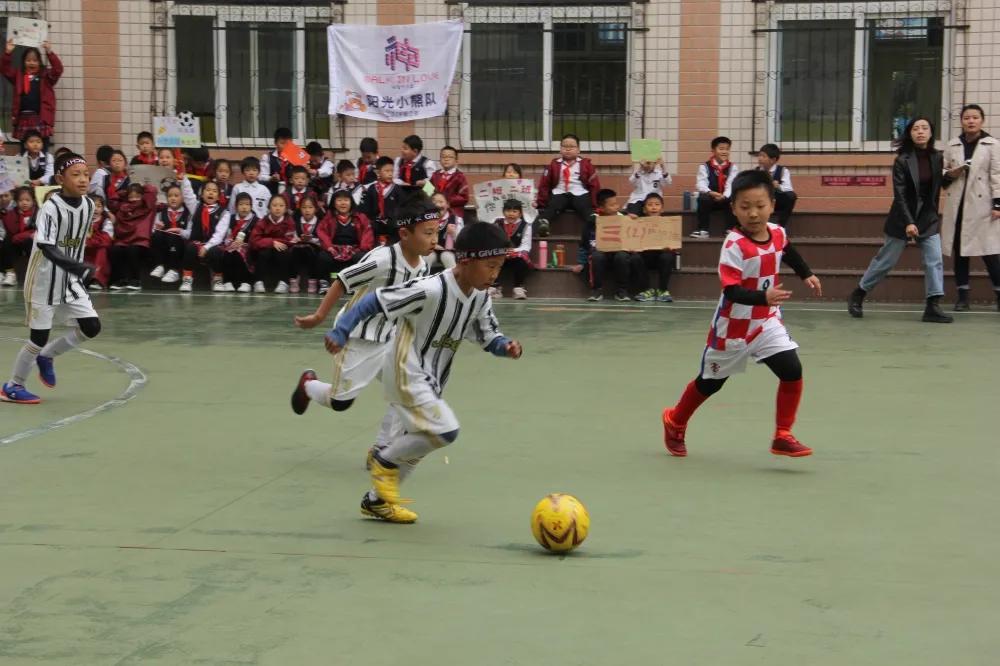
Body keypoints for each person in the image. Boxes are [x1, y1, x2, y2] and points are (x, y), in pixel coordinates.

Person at [308, 222, 522, 523]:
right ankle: (383, 459)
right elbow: (376, 300)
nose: (495, 274)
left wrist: (505, 346)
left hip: (431, 381)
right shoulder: (431, 289)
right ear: (465, 261)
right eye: (490, 266)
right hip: (405, 371)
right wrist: (342, 330)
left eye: (499, 267)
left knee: (418, 444)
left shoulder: (480, 296)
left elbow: (488, 336)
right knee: (445, 431)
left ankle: (376, 502)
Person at [290, 194, 439, 513]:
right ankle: (307, 385)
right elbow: (342, 281)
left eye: (436, 232)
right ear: (405, 234)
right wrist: (319, 317)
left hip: (392, 337)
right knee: (341, 402)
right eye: (427, 232)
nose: (433, 239)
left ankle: (381, 449)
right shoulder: (383, 259)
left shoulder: (424, 264)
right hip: (358, 336)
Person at [661, 170, 822, 458]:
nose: (753, 213)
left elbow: (788, 250)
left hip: (766, 321)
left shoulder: (778, 232)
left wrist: (806, 273)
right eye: (745, 207)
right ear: (733, 208)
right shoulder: (734, 245)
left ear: (772, 204)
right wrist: (764, 296)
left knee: (791, 369)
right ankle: (675, 420)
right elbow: (732, 291)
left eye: (760, 206)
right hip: (732, 328)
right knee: (710, 384)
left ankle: (782, 434)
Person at [1, 153, 97, 404]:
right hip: (43, 281)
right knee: (38, 337)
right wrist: (78, 266)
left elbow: (76, 241)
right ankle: (12, 386)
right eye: (76, 175)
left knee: (91, 327)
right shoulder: (50, 208)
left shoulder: (89, 205)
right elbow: (47, 246)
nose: (83, 179)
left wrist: (76, 270)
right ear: (60, 179)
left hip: (69, 280)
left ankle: (47, 356)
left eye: (86, 174)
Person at [848, 118, 952, 323]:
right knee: (885, 261)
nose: (920, 132)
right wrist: (908, 222)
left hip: (928, 218)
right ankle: (858, 294)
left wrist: (952, 175)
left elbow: (937, 185)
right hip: (902, 218)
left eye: (925, 128)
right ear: (910, 134)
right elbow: (900, 195)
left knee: (934, 261)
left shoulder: (937, 157)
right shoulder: (902, 160)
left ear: (931, 133)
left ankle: (933, 305)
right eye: (916, 129)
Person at [940, 103, 1000, 311]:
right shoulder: (952, 145)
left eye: (975, 117)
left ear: (982, 120)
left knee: (990, 252)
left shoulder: (992, 144)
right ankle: (963, 297)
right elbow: (943, 173)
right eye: (967, 118)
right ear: (961, 121)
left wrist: (998, 204)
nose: (971, 121)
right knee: (961, 252)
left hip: (983, 206)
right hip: (957, 205)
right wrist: (950, 174)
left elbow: (997, 175)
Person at [535, 133, 600, 238]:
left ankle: (593, 221)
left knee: (584, 206)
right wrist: (541, 203)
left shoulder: (586, 164)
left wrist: (595, 206)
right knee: (554, 205)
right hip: (560, 192)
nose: (568, 149)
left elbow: (594, 185)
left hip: (579, 192)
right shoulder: (554, 164)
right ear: (560, 149)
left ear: (578, 150)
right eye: (565, 147)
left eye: (572, 147)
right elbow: (544, 184)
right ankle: (544, 222)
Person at [1, 39, 62, 151]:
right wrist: (8, 52)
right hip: (23, 119)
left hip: (41, 118)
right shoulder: (18, 75)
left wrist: (49, 51)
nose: (31, 63)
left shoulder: (46, 76)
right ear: (24, 62)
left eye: (35, 60)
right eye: (28, 60)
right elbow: (4, 69)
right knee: (25, 152)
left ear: (39, 62)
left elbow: (58, 69)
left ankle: (41, 168)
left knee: (43, 151)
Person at [584, 188, 641, 302]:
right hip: (601, 252)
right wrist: (581, 261)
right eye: (612, 205)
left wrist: (633, 221)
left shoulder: (623, 217)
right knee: (596, 256)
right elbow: (586, 240)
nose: (616, 207)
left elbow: (631, 237)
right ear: (601, 208)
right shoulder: (593, 219)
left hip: (619, 252)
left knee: (622, 256)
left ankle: (622, 290)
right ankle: (597, 290)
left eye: (616, 203)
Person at [315, 189, 374, 294]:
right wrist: (329, 247)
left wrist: (361, 248)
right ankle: (324, 284)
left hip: (354, 249)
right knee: (323, 256)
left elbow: (367, 234)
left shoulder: (361, 217)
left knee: (361, 257)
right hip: (334, 249)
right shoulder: (328, 218)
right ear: (334, 203)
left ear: (351, 202)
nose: (343, 203)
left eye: (346, 200)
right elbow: (322, 232)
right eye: (339, 200)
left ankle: (354, 284)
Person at [202, 191, 258, 293]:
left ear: (251, 206)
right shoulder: (230, 218)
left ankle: (246, 282)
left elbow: (256, 237)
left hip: (248, 247)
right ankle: (228, 281)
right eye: (241, 204)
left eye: (247, 204)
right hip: (231, 245)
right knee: (227, 252)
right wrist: (230, 242)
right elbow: (225, 235)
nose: (244, 207)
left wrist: (245, 244)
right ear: (236, 206)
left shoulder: (256, 220)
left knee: (241, 252)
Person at [109, 183, 156, 290]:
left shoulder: (147, 206)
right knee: (115, 250)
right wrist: (124, 192)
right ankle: (120, 280)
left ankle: (135, 280)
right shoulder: (122, 208)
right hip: (123, 240)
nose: (134, 199)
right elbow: (112, 200)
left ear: (143, 196)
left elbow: (152, 190)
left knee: (132, 250)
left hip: (140, 240)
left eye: (137, 196)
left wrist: (141, 186)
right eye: (131, 196)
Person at [633, 193, 677, 303]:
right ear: (644, 209)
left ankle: (663, 290)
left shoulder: (669, 224)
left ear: (662, 209)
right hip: (645, 257)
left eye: (657, 204)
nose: (653, 207)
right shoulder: (638, 223)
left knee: (668, 256)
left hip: (661, 257)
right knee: (634, 258)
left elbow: (674, 243)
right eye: (650, 205)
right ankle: (647, 290)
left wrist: (670, 247)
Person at [692, 136, 738, 238]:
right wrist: (711, 193)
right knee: (703, 197)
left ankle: (730, 230)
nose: (725, 152)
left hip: (725, 200)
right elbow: (700, 184)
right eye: (721, 149)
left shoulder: (732, 167)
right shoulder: (704, 166)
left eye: (727, 149)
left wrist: (724, 196)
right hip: (711, 199)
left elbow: (731, 184)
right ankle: (703, 230)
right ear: (713, 151)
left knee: (735, 197)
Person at [249, 193, 294, 293]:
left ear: (286, 208)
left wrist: (277, 243)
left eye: (281, 206)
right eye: (274, 205)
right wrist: (272, 242)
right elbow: (254, 240)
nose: (277, 208)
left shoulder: (289, 221)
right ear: (269, 207)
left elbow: (290, 240)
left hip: (281, 250)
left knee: (283, 252)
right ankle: (258, 282)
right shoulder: (262, 221)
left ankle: (284, 282)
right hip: (265, 249)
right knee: (264, 253)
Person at [149, 182, 189, 286]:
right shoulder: (161, 213)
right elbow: (153, 228)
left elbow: (191, 233)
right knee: (156, 235)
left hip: (181, 244)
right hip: (165, 243)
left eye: (176, 196)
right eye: (170, 196)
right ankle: (160, 266)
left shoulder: (188, 214)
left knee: (173, 235)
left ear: (183, 198)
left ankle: (174, 270)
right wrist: (157, 228)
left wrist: (180, 231)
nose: (173, 198)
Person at [491, 199, 532, 300]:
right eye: (508, 211)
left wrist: (513, 251)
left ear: (520, 213)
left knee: (522, 258)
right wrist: (502, 251)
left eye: (515, 211)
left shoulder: (526, 225)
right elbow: (492, 241)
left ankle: (518, 288)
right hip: (500, 254)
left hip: (515, 254)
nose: (511, 214)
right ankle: (495, 287)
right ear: (503, 212)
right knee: (491, 256)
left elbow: (526, 246)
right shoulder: (497, 224)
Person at [357, 156, 402, 244]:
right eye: (387, 171)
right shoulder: (372, 189)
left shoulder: (397, 189)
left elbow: (401, 207)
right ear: (378, 172)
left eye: (392, 171)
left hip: (392, 225)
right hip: (375, 225)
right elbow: (365, 209)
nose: (390, 174)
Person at [1, 187, 37, 286]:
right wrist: (20, 216)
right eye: (21, 200)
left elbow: (36, 230)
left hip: (30, 242)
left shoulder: (38, 212)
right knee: (6, 241)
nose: (24, 203)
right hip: (16, 243)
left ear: (33, 201)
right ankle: (10, 273)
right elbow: (11, 230)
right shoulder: (12, 213)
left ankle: (35, 273)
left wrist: (21, 236)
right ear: (16, 201)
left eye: (27, 200)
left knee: (32, 240)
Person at [288, 194, 324, 294]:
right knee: (294, 251)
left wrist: (311, 239)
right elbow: (291, 236)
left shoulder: (320, 222)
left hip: (314, 249)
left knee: (309, 250)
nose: (307, 210)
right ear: (300, 209)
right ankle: (294, 279)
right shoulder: (296, 222)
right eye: (304, 207)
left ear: (316, 209)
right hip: (298, 248)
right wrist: (298, 239)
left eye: (310, 207)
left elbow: (322, 238)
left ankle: (312, 280)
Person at [756, 144, 796, 227]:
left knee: (791, 196)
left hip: (776, 200)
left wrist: (778, 186)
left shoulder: (783, 171)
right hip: (761, 199)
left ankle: (781, 226)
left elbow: (788, 188)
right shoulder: (756, 171)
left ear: (773, 160)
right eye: (759, 155)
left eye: (763, 156)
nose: (760, 158)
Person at [430, 146, 470, 219]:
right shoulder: (435, 175)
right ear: (439, 160)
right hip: (435, 211)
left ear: (456, 161)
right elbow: (426, 191)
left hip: (453, 213)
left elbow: (464, 197)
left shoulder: (460, 177)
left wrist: (446, 200)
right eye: (443, 157)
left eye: (450, 157)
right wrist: (434, 201)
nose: (446, 159)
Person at [84, 195, 114, 291]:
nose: (95, 209)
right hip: (83, 249)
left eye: (98, 206)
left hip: (96, 249)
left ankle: (97, 279)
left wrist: (89, 242)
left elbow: (106, 239)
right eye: (92, 206)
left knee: (102, 250)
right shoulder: (81, 221)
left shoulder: (105, 222)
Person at [429, 191, 462, 271]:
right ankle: (421, 280)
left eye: (441, 202)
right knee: (427, 257)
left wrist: (454, 233)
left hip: (449, 251)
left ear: (447, 205)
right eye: (434, 202)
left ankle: (454, 281)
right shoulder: (427, 219)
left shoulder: (456, 219)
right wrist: (432, 245)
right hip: (431, 249)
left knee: (446, 256)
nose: (437, 205)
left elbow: (462, 241)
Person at [260, 127, 293, 194]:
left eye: (288, 144)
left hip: (291, 196)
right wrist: (271, 178)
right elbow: (261, 176)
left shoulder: (295, 158)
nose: (285, 146)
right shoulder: (267, 157)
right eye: (282, 143)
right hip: (273, 195)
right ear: (275, 143)